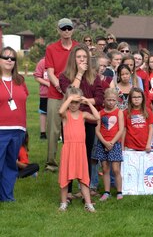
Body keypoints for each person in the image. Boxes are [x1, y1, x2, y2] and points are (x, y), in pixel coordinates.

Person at [59, 44, 105, 196]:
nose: (82, 59)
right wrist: (79, 74)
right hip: (71, 120)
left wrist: (85, 101)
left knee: (85, 156)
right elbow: (70, 95)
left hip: (88, 120)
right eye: (79, 57)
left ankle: (84, 189)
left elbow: (99, 100)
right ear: (74, 58)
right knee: (69, 155)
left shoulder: (95, 77)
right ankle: (69, 191)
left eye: (84, 57)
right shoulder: (64, 76)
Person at [58, 87, 100, 212]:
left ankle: (88, 203)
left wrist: (87, 102)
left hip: (80, 149)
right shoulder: (65, 115)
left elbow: (97, 117)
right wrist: (70, 98)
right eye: (71, 102)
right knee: (65, 177)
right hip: (69, 149)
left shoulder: (83, 115)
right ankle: (63, 203)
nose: (73, 105)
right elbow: (60, 111)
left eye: (76, 102)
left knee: (83, 177)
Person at [46, 18, 79, 172]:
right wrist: (59, 85)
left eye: (69, 28)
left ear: (72, 30)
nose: (66, 31)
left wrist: (72, 89)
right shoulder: (51, 48)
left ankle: (71, 161)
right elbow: (50, 72)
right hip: (55, 93)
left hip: (74, 93)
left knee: (73, 129)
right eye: (63, 28)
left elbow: (81, 69)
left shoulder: (78, 48)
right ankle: (51, 164)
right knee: (53, 129)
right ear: (58, 30)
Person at [0, 47, 29, 201]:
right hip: (1, 129)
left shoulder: (20, 81)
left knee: (11, 165)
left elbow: (23, 102)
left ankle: (7, 197)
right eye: (5, 57)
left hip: (18, 130)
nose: (9, 60)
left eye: (12, 58)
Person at [93, 88, 125, 201]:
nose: (111, 102)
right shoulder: (100, 113)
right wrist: (105, 143)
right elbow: (97, 130)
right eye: (109, 100)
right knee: (105, 168)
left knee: (116, 169)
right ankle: (107, 192)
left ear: (117, 100)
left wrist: (112, 142)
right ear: (104, 100)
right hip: (102, 144)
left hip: (115, 144)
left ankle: (119, 191)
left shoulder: (119, 112)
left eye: (113, 100)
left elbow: (121, 129)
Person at [123, 88, 153, 153]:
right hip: (130, 146)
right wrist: (122, 146)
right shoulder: (126, 112)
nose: (136, 99)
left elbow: (151, 128)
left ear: (143, 98)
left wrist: (149, 144)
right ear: (130, 99)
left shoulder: (148, 111)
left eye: (139, 97)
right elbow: (124, 130)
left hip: (145, 145)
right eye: (134, 97)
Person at [34, 58, 50, 139]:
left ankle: (58, 134)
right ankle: (43, 133)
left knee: (58, 113)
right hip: (45, 94)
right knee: (43, 112)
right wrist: (47, 83)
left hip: (58, 93)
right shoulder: (42, 62)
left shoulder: (59, 60)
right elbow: (37, 76)